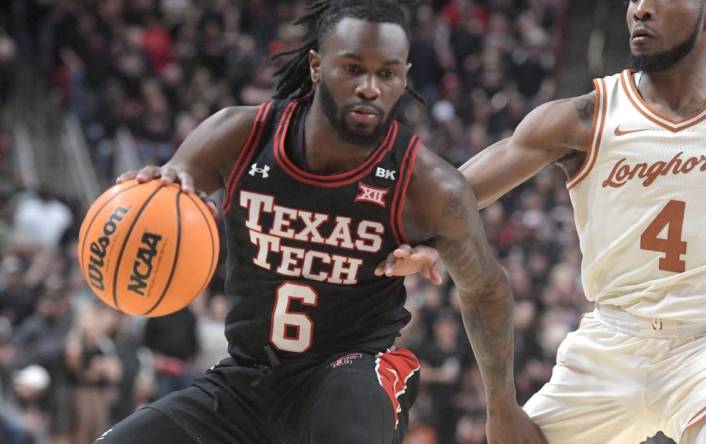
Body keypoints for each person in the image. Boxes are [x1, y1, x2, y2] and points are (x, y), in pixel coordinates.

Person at [98, 1, 544, 443]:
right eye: (352, 69)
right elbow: (176, 187)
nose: (370, 87)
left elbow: (486, 288)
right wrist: (161, 185)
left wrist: (502, 407)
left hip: (352, 372)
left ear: (404, 77)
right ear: (316, 65)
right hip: (247, 378)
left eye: (387, 74)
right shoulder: (238, 135)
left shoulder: (427, 185)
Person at [382, 0, 706, 442]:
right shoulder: (586, 117)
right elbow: (451, 199)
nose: (640, 10)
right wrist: (427, 240)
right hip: (610, 345)